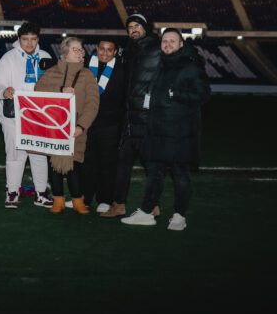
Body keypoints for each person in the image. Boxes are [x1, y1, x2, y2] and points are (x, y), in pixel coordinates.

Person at [122, 29, 210, 230]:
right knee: (154, 172)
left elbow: (203, 95)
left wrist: (176, 93)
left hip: (180, 131)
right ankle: (146, 212)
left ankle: (179, 216)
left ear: (181, 44)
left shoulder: (191, 66)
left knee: (180, 172)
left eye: (172, 41)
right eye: (164, 41)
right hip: (157, 129)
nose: (168, 44)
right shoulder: (161, 64)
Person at [102, 14, 162, 219]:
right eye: (130, 27)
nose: (133, 29)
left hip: (148, 116)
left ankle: (153, 205)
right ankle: (119, 204)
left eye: (137, 26)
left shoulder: (158, 48)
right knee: (123, 161)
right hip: (128, 115)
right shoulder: (129, 50)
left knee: (151, 163)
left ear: (145, 28)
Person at [34, 37, 100, 214]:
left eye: (81, 49)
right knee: (54, 166)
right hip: (54, 128)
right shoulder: (50, 72)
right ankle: (58, 200)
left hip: (76, 129)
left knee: (75, 166)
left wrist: (82, 126)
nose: (80, 52)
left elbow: (92, 104)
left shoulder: (87, 75)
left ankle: (78, 200)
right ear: (65, 52)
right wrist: (59, 91)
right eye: (75, 49)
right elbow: (37, 94)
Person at [0, 22, 53, 209]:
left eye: (33, 39)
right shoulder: (8, 58)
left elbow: (53, 84)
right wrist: (5, 91)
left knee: (39, 154)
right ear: (19, 39)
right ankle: (12, 192)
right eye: (25, 39)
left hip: (38, 115)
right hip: (13, 115)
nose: (29, 43)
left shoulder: (46, 57)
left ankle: (41, 193)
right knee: (15, 154)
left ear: (38, 39)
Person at [81, 38, 126, 212]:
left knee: (107, 163)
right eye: (102, 49)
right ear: (96, 49)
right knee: (87, 162)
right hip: (88, 122)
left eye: (109, 50)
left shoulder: (121, 70)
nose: (105, 53)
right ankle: (84, 197)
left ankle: (105, 199)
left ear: (115, 52)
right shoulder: (86, 66)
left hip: (110, 124)